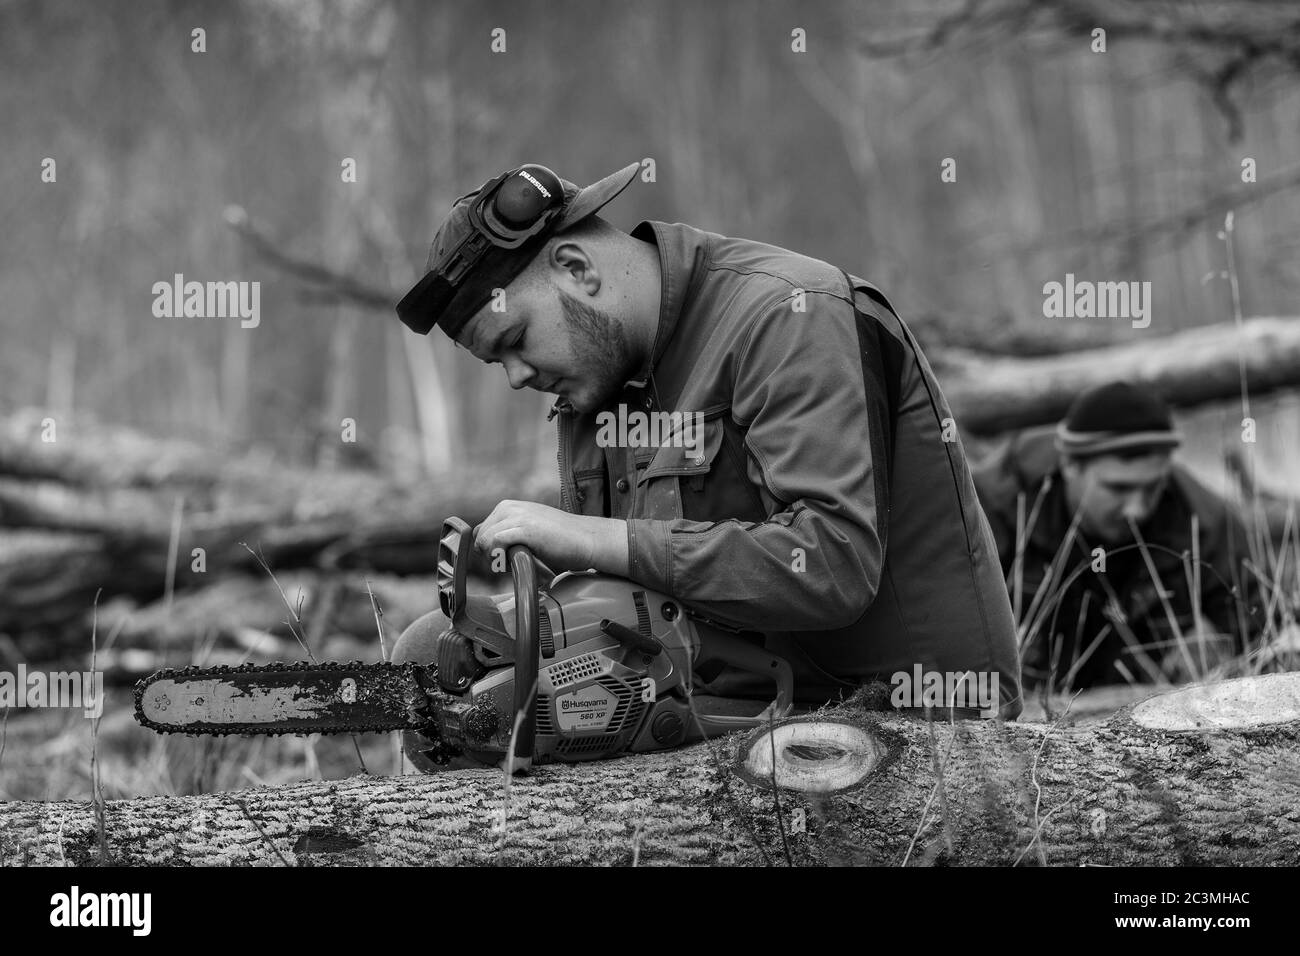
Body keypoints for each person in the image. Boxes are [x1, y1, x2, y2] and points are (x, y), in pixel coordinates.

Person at [390, 161, 1023, 768]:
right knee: (440, 661)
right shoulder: (597, 377)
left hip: (901, 712)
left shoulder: (790, 317)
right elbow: (633, 590)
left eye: (515, 341)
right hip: (719, 689)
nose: (517, 376)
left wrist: (600, 538)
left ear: (576, 268)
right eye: (496, 363)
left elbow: (832, 563)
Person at [972, 381, 1261, 692]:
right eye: (1118, 489)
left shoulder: (1201, 519)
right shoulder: (988, 510)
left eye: (1152, 488)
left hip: (1129, 711)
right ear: (1070, 464)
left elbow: (1267, 634)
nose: (1137, 509)